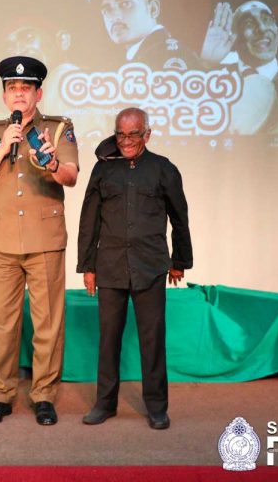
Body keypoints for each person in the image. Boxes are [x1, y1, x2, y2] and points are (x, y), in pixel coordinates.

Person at [0, 56, 79, 426]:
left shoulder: (57, 129)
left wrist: (51, 164)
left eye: (26, 87)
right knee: (1, 323)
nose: (19, 93)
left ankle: (44, 396)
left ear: (38, 93)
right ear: (4, 95)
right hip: (2, 245)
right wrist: (2, 149)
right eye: (12, 88)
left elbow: (71, 176)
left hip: (44, 241)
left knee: (47, 324)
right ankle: (0, 396)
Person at [76, 107, 192, 430]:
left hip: (150, 266)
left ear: (147, 135)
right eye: (121, 134)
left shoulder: (164, 169)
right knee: (108, 339)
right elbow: (89, 219)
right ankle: (104, 404)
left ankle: (157, 407)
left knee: (152, 340)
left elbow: (179, 217)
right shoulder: (103, 169)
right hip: (110, 266)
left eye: (133, 134)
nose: (126, 141)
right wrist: (87, 266)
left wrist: (179, 261)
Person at [200, 0, 278, 135]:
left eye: (266, 20)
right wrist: (207, 61)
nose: (261, 28)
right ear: (235, 39)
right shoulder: (216, 77)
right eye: (248, 24)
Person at [88, 0, 200, 70]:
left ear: (153, 9)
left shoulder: (169, 56)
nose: (115, 16)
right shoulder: (137, 56)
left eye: (126, 4)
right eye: (107, 10)